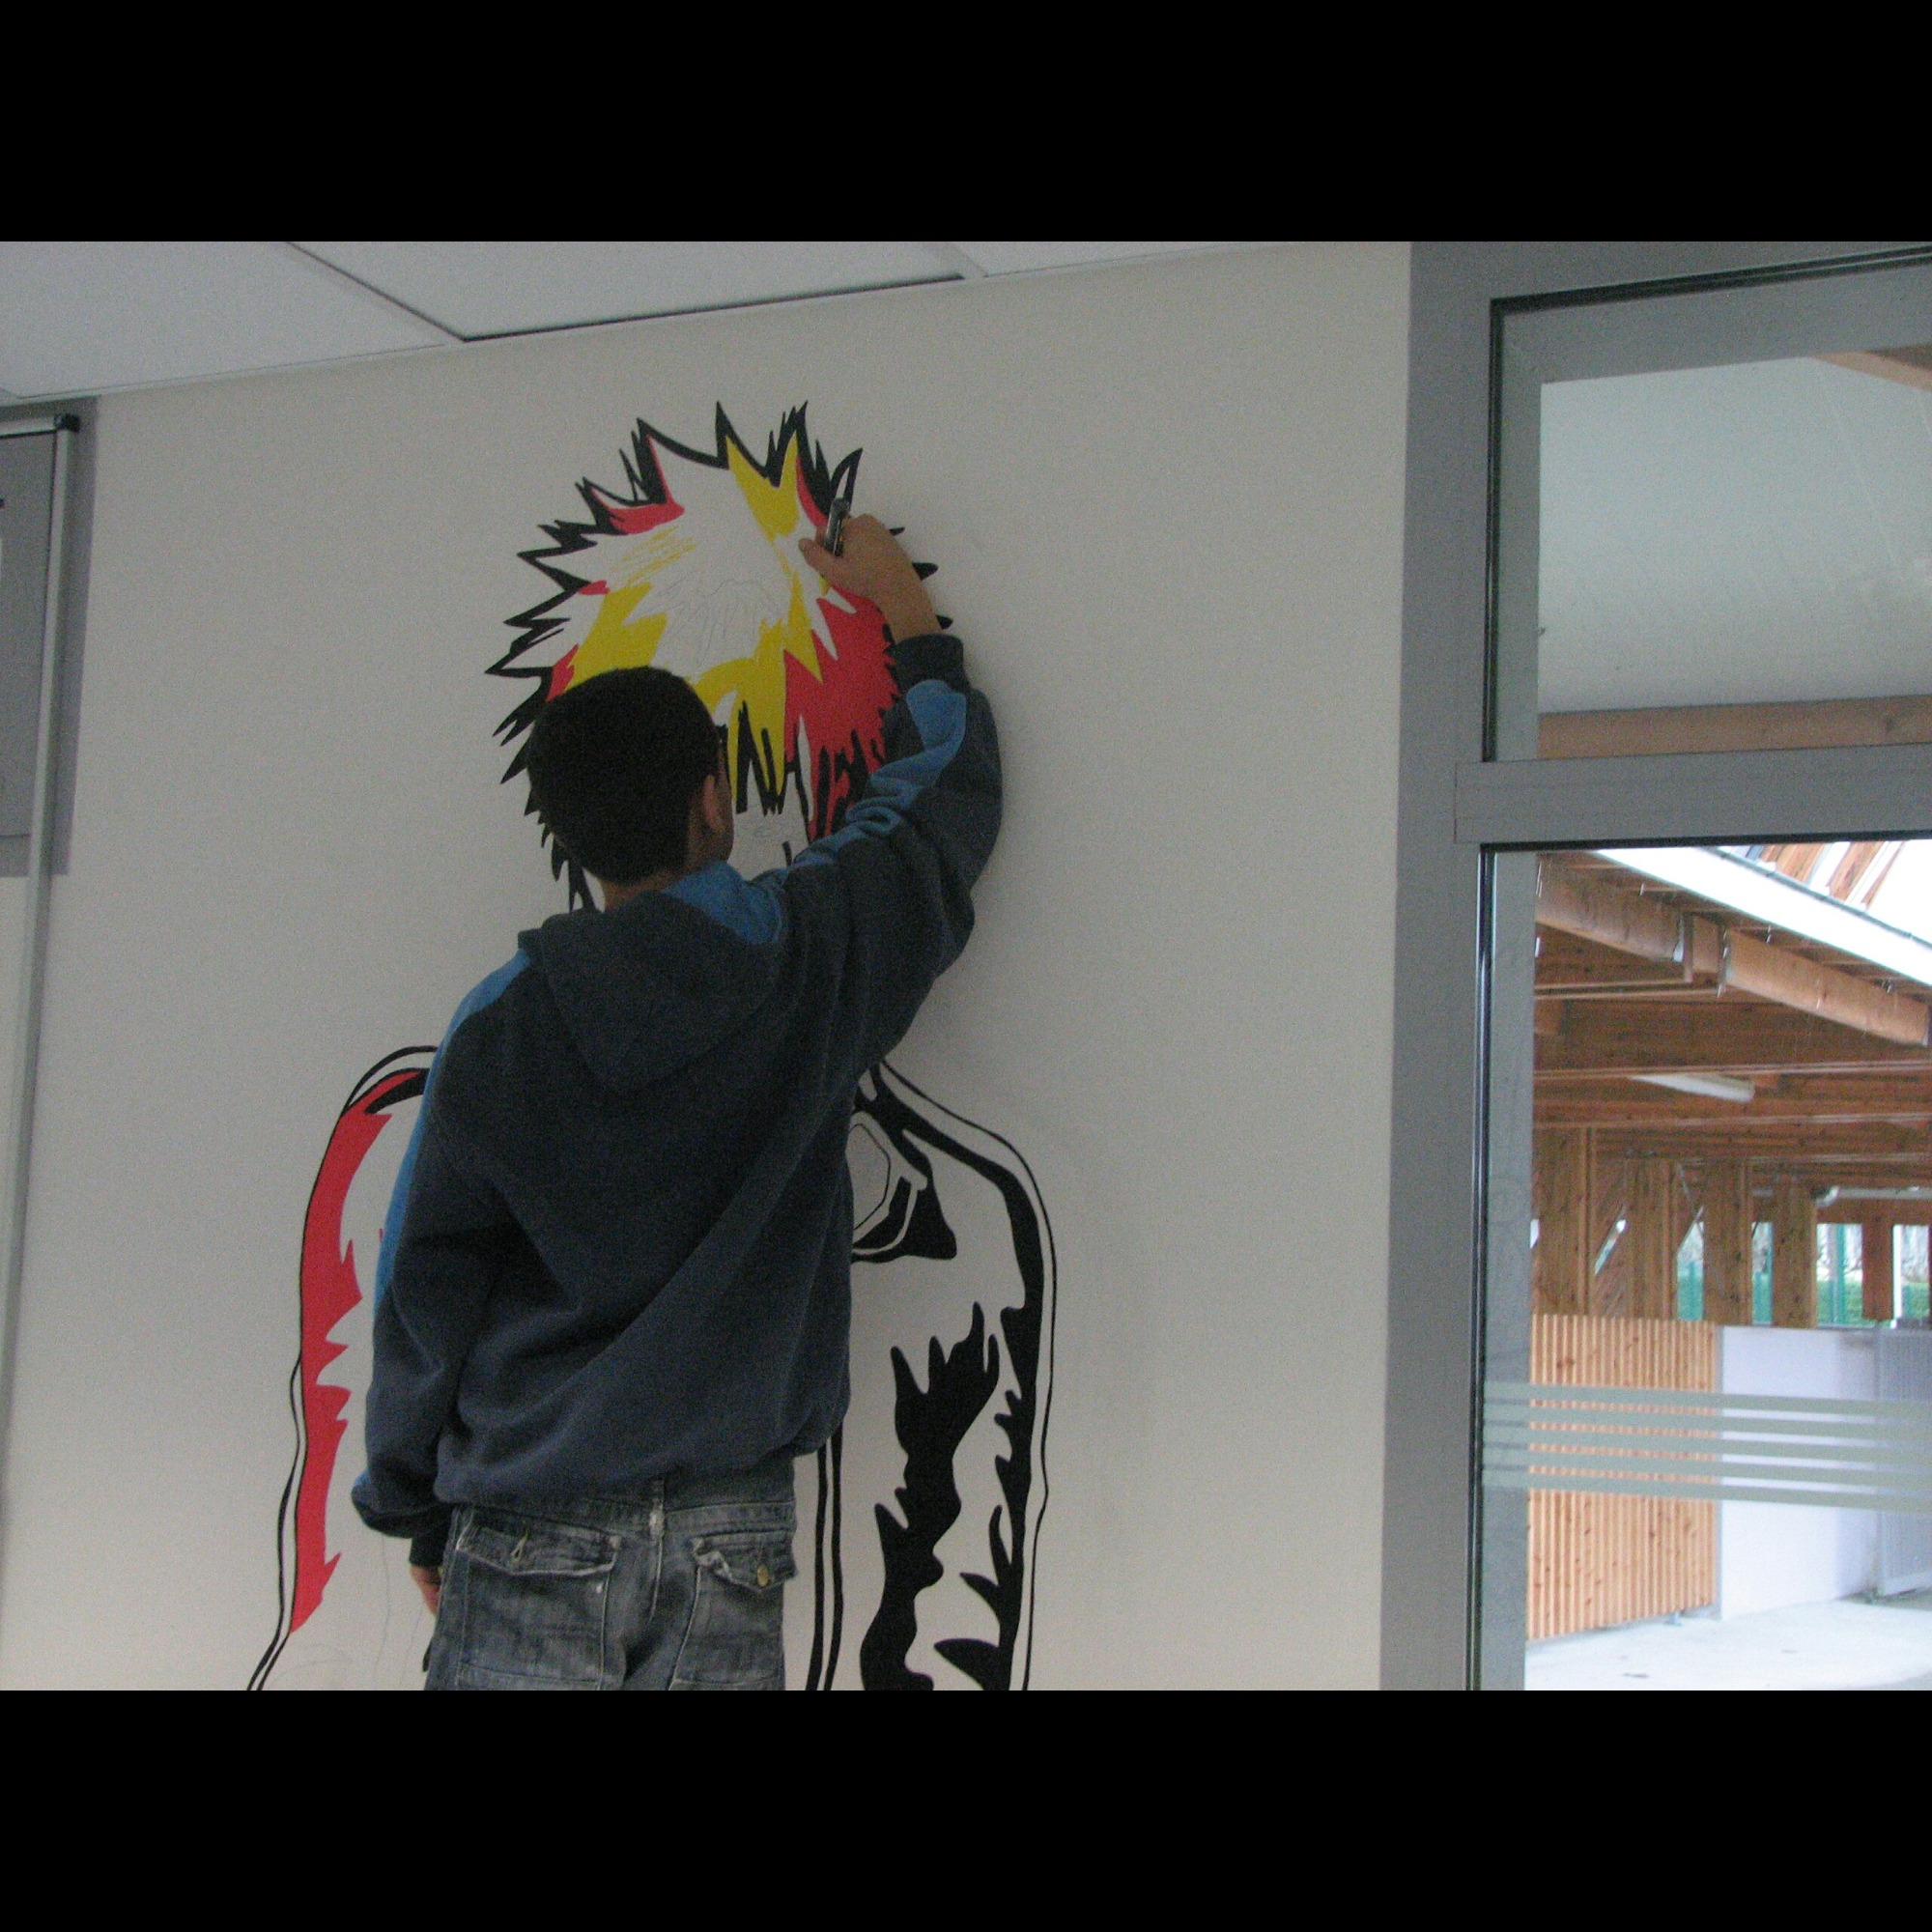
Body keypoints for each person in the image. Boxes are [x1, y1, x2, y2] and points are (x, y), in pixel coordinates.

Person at [350, 516, 1001, 1690]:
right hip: (727, 1532)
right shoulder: (807, 957)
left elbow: (422, 1285)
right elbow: (934, 808)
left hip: (530, 1513)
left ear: (567, 835)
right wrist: (902, 603)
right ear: (713, 795)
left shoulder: (501, 1025)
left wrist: (412, 1500)